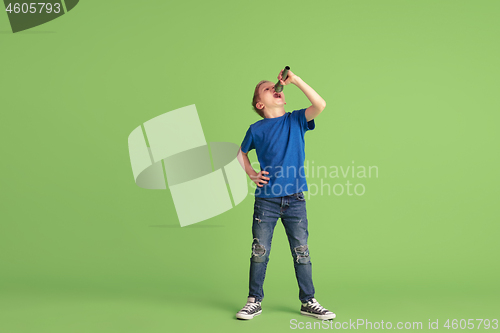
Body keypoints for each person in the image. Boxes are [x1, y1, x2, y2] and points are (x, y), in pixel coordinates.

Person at [235, 68, 335, 320]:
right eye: (267, 89)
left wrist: (296, 80)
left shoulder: (296, 119)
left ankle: (308, 300)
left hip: (295, 200)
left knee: (301, 251)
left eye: (276, 87)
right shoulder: (256, 129)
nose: (275, 89)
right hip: (266, 201)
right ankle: (253, 300)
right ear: (260, 103)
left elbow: (320, 104)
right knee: (260, 251)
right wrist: (251, 174)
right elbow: (240, 153)